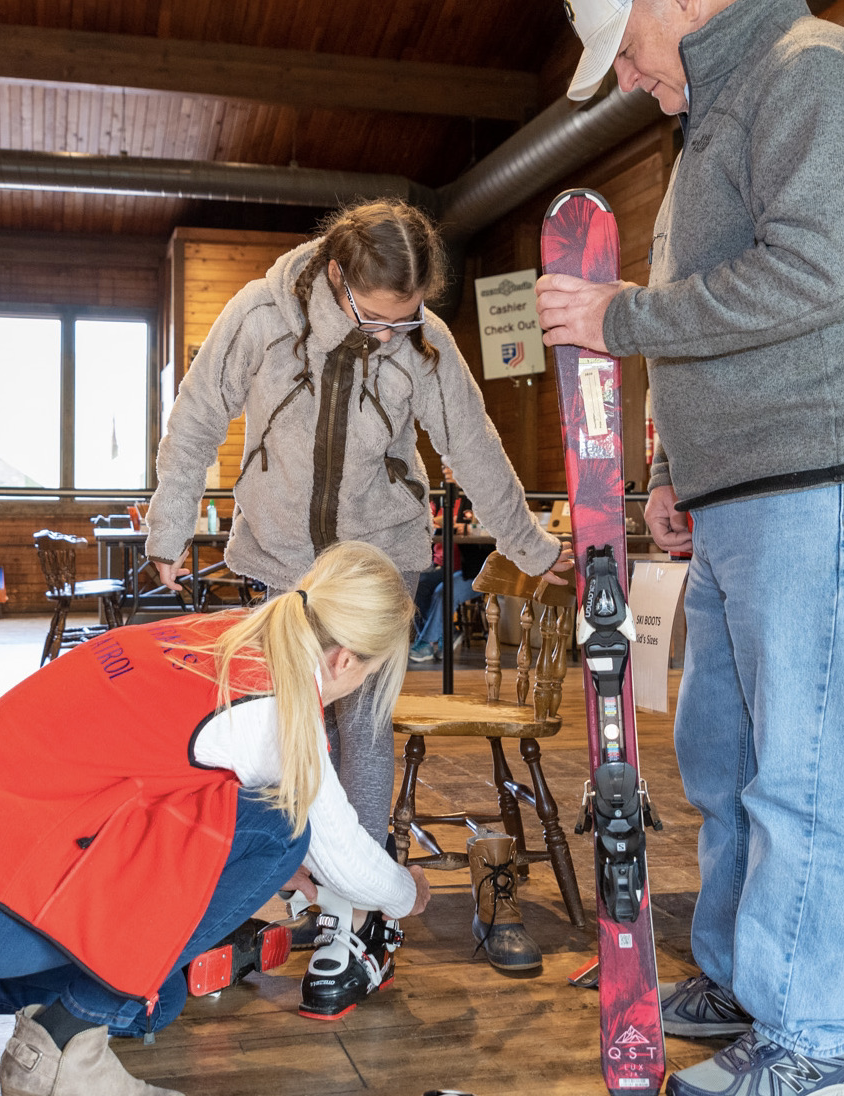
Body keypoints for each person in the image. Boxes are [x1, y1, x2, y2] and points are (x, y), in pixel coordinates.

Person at [538, 2, 844, 1093]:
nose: (627, 78)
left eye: (625, 50)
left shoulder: (813, 71)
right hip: (747, 490)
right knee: (725, 759)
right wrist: (675, 467)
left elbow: (812, 274)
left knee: (806, 776)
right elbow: (715, 318)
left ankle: (813, 1050)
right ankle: (741, 983)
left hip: (825, 470)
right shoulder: (715, 114)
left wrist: (617, 319)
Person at [0, 541, 430, 1096]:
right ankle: (66, 1052)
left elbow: (160, 790)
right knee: (282, 831)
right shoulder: (274, 709)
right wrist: (409, 894)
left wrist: (269, 872)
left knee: (157, 996)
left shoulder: (214, 635)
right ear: (346, 660)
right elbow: (345, 857)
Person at [143, 199, 568, 976]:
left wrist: (532, 547)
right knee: (280, 727)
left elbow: (473, 448)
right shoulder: (261, 315)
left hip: (381, 560)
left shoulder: (426, 343)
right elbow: (198, 417)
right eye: (375, 317)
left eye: (406, 319)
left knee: (364, 730)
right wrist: (168, 529)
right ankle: (302, 886)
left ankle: (360, 908)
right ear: (337, 277)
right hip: (276, 556)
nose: (390, 334)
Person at [410, 465, 485, 662]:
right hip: (445, 566)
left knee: (443, 592)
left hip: (473, 570)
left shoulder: (476, 497)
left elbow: (482, 528)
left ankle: (427, 642)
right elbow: (431, 522)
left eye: (452, 464)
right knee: (416, 585)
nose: (446, 469)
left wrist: (461, 526)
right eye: (444, 465)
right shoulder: (441, 496)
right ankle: (448, 633)